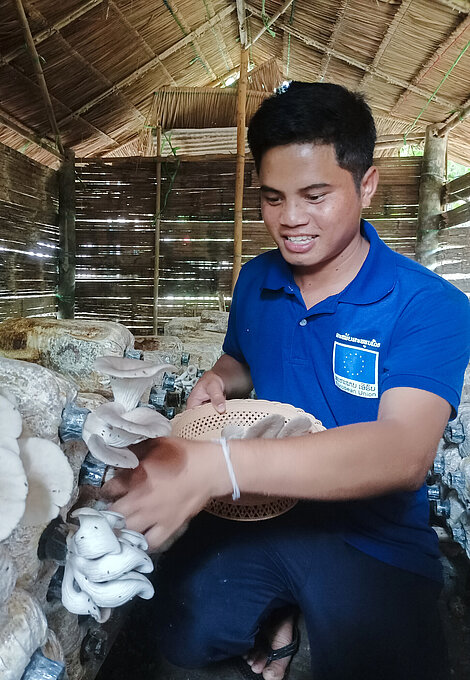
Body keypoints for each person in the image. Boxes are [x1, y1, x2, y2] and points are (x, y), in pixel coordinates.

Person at [104, 82, 470, 680]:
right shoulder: (257, 280)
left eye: (315, 195)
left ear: (367, 185)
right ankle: (280, 613)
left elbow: (403, 451)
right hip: (264, 511)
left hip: (371, 533)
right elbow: (242, 356)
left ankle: (293, 611)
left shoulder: (428, 305)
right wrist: (218, 378)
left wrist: (214, 465)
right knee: (181, 636)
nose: (291, 219)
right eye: (273, 198)